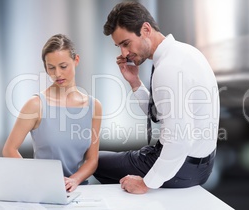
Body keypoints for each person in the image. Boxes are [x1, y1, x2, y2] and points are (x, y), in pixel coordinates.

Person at [93, 2, 219, 194]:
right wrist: (134, 82)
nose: (124, 53)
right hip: (201, 165)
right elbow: (159, 115)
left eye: (126, 44)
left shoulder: (169, 68)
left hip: (182, 166)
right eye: (119, 46)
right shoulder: (184, 53)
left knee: (94, 161)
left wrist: (147, 183)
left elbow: (180, 140)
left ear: (145, 29)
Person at [3, 34, 102, 192]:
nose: (57, 74)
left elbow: (92, 160)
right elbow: (9, 150)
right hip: (43, 190)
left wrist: (73, 180)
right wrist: (38, 178)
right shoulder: (35, 105)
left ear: (76, 60)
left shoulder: (94, 106)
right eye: (51, 68)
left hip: (79, 192)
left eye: (63, 66)